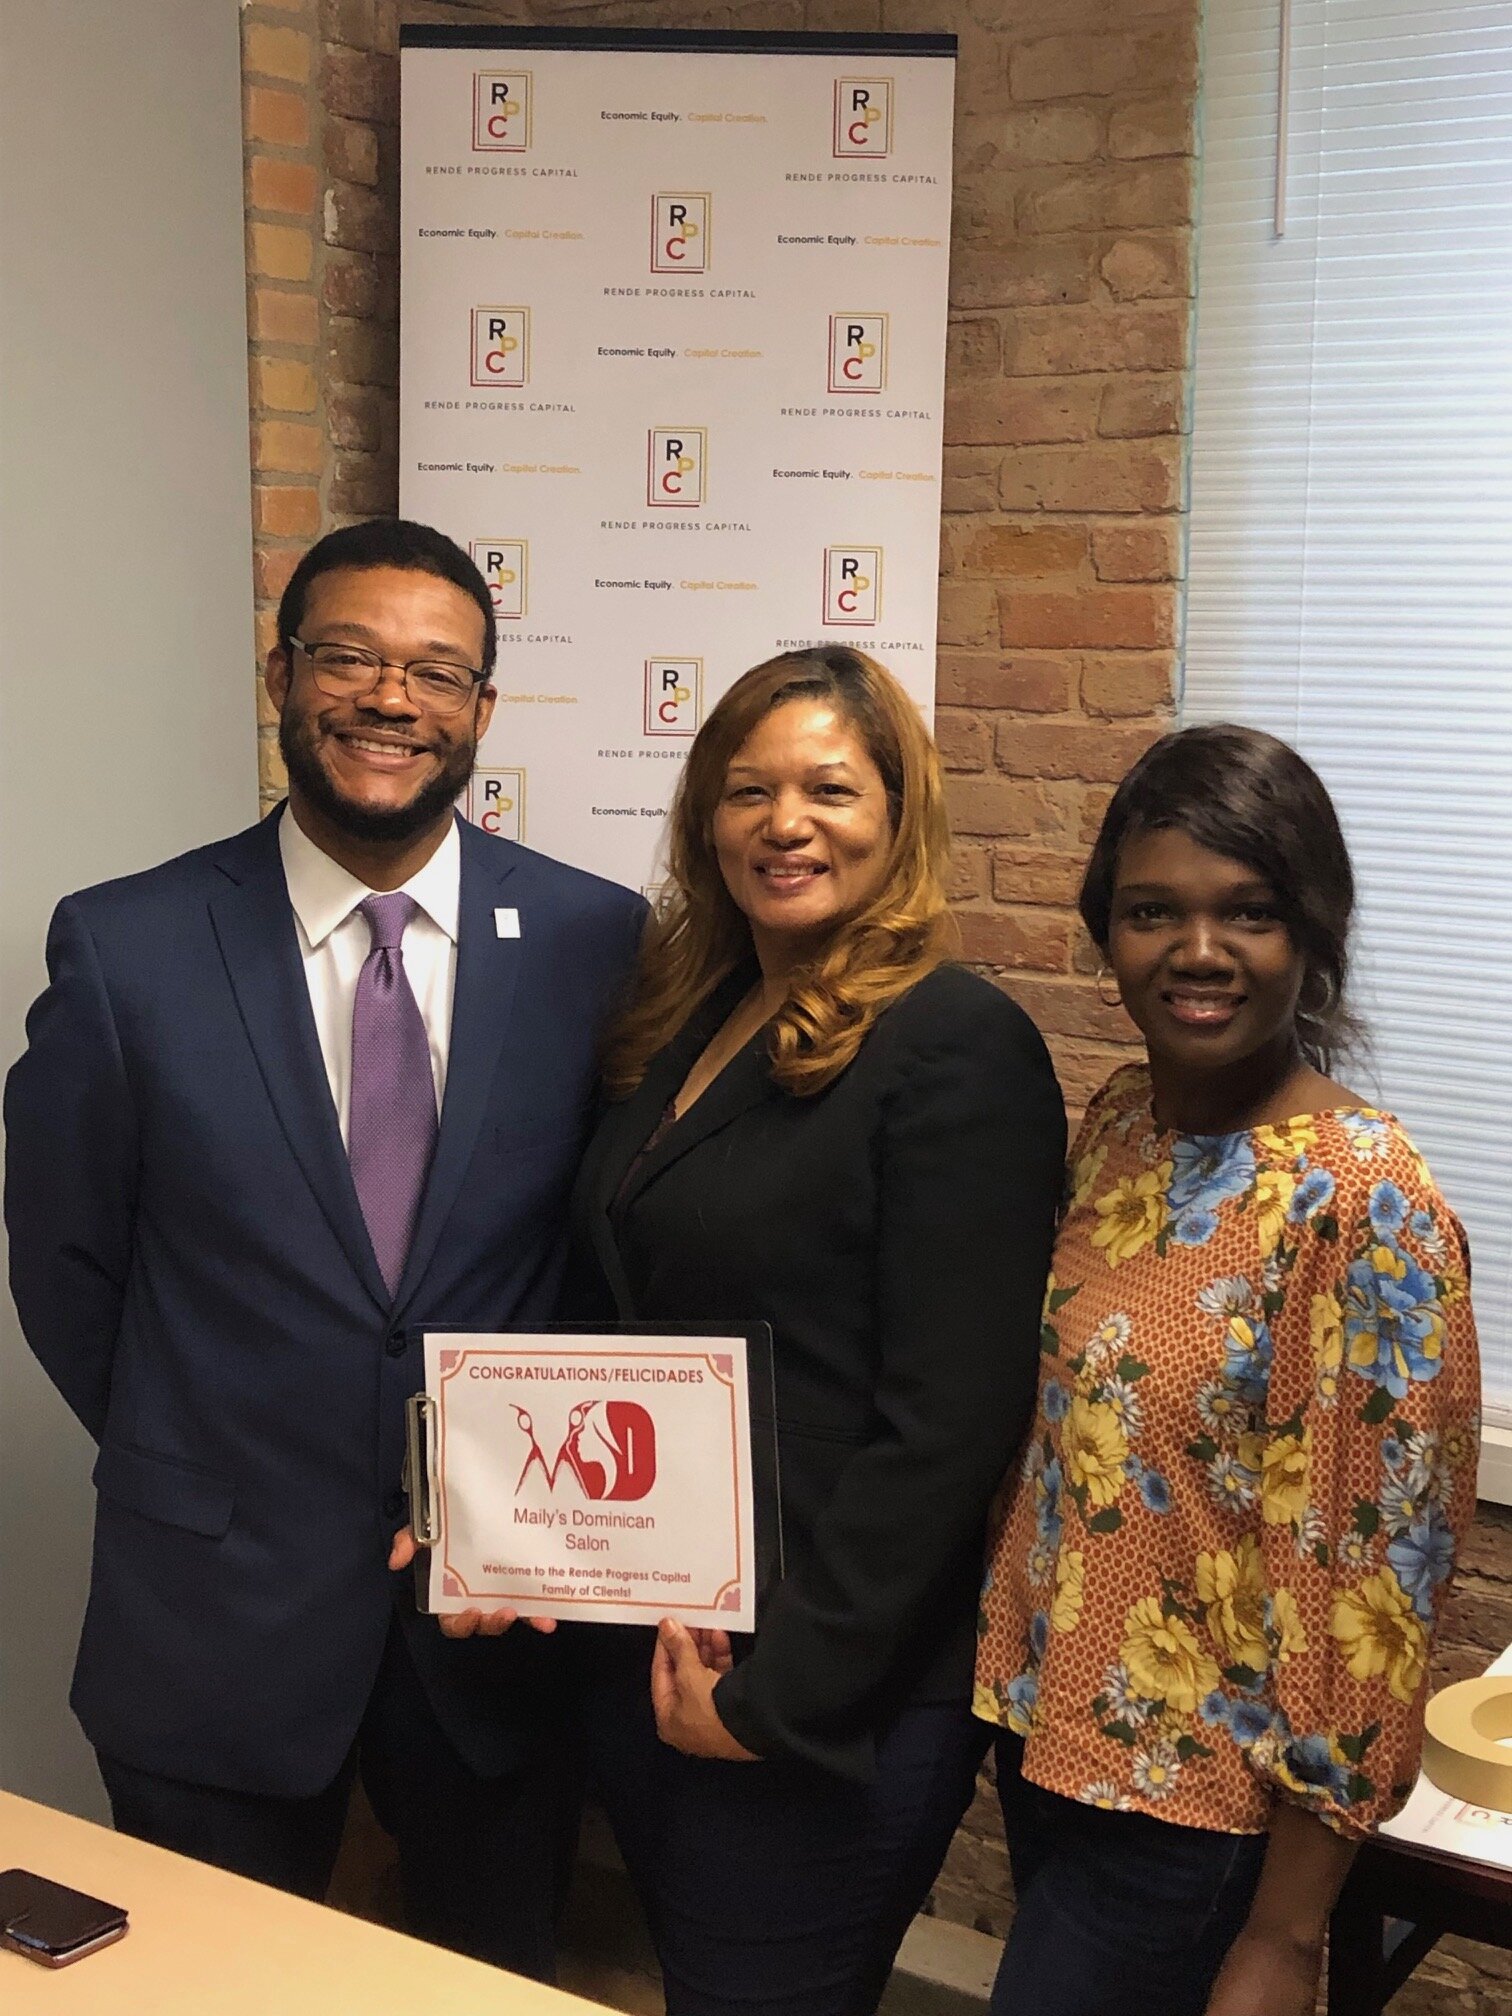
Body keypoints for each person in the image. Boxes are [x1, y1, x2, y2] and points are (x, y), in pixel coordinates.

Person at [3, 519, 645, 1977]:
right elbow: (65, 1258)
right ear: (281, 674)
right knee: (201, 1992)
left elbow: (600, 1259)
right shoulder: (128, 947)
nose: (389, 700)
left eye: (436, 672)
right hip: (211, 1613)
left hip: (495, 1622)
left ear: (484, 709)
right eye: (348, 657)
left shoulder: (595, 944)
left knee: (489, 1979)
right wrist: (208, 1441)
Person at [568, 646, 1062, 2015]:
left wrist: (776, 1696)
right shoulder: (698, 1016)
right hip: (664, 1647)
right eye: (748, 791)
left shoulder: (956, 1044)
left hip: (823, 1685)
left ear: (899, 815)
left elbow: (950, 1424)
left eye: (829, 789)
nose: (785, 824)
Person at [975, 724, 1481, 2016]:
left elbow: (1378, 1588)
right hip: (1057, 1756)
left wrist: (1285, 1935)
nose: (1197, 952)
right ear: (1108, 933)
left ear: (1311, 934)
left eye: (1247, 912)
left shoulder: (1363, 1202)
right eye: (1155, 912)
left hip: (1205, 1819)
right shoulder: (1122, 1125)